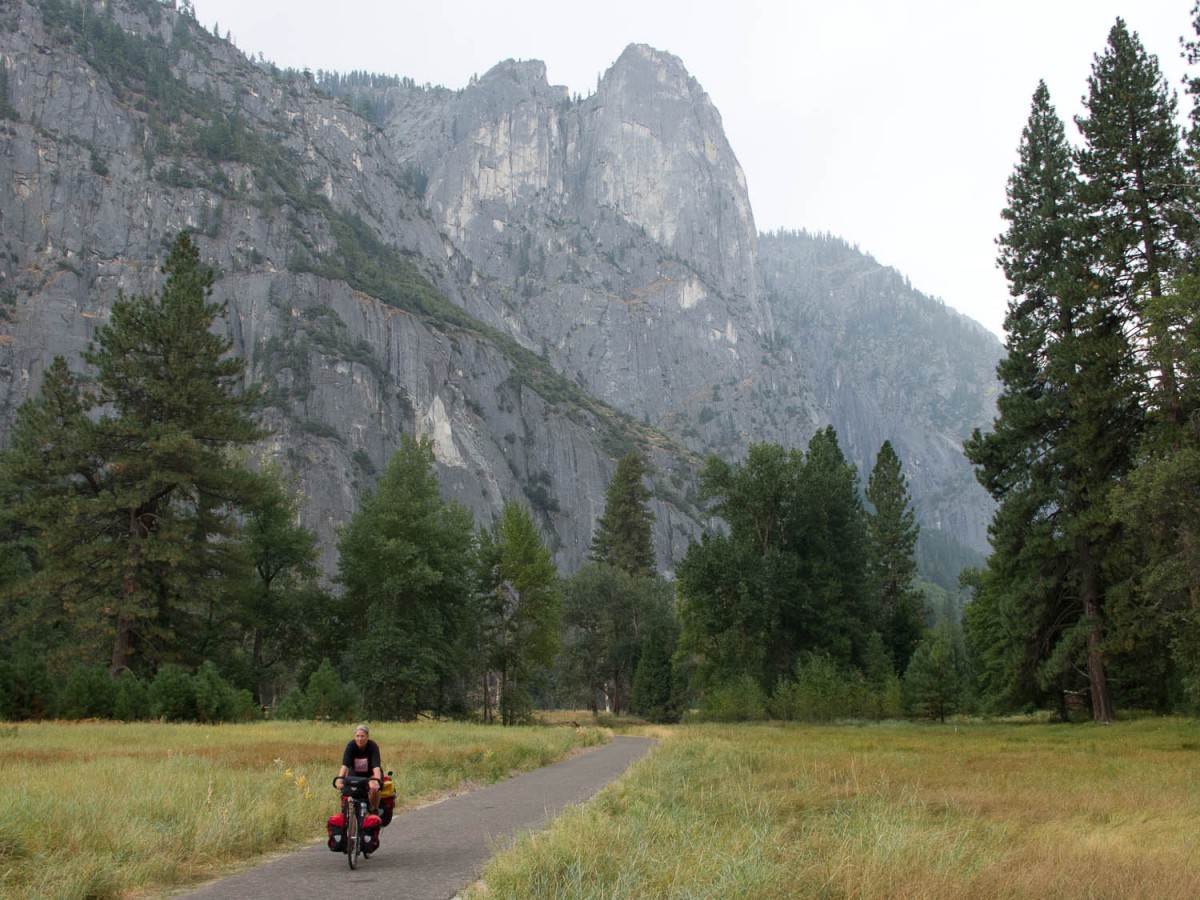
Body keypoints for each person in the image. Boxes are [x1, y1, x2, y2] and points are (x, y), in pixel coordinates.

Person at [335, 723, 382, 813]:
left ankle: (374, 809)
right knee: (347, 792)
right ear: (354, 736)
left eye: (362, 736)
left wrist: (376, 781)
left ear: (367, 737)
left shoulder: (373, 746)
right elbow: (345, 765)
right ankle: (349, 817)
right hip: (355, 775)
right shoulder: (351, 745)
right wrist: (339, 780)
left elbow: (376, 767)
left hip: (370, 775)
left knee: (373, 787)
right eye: (357, 736)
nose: (359, 739)